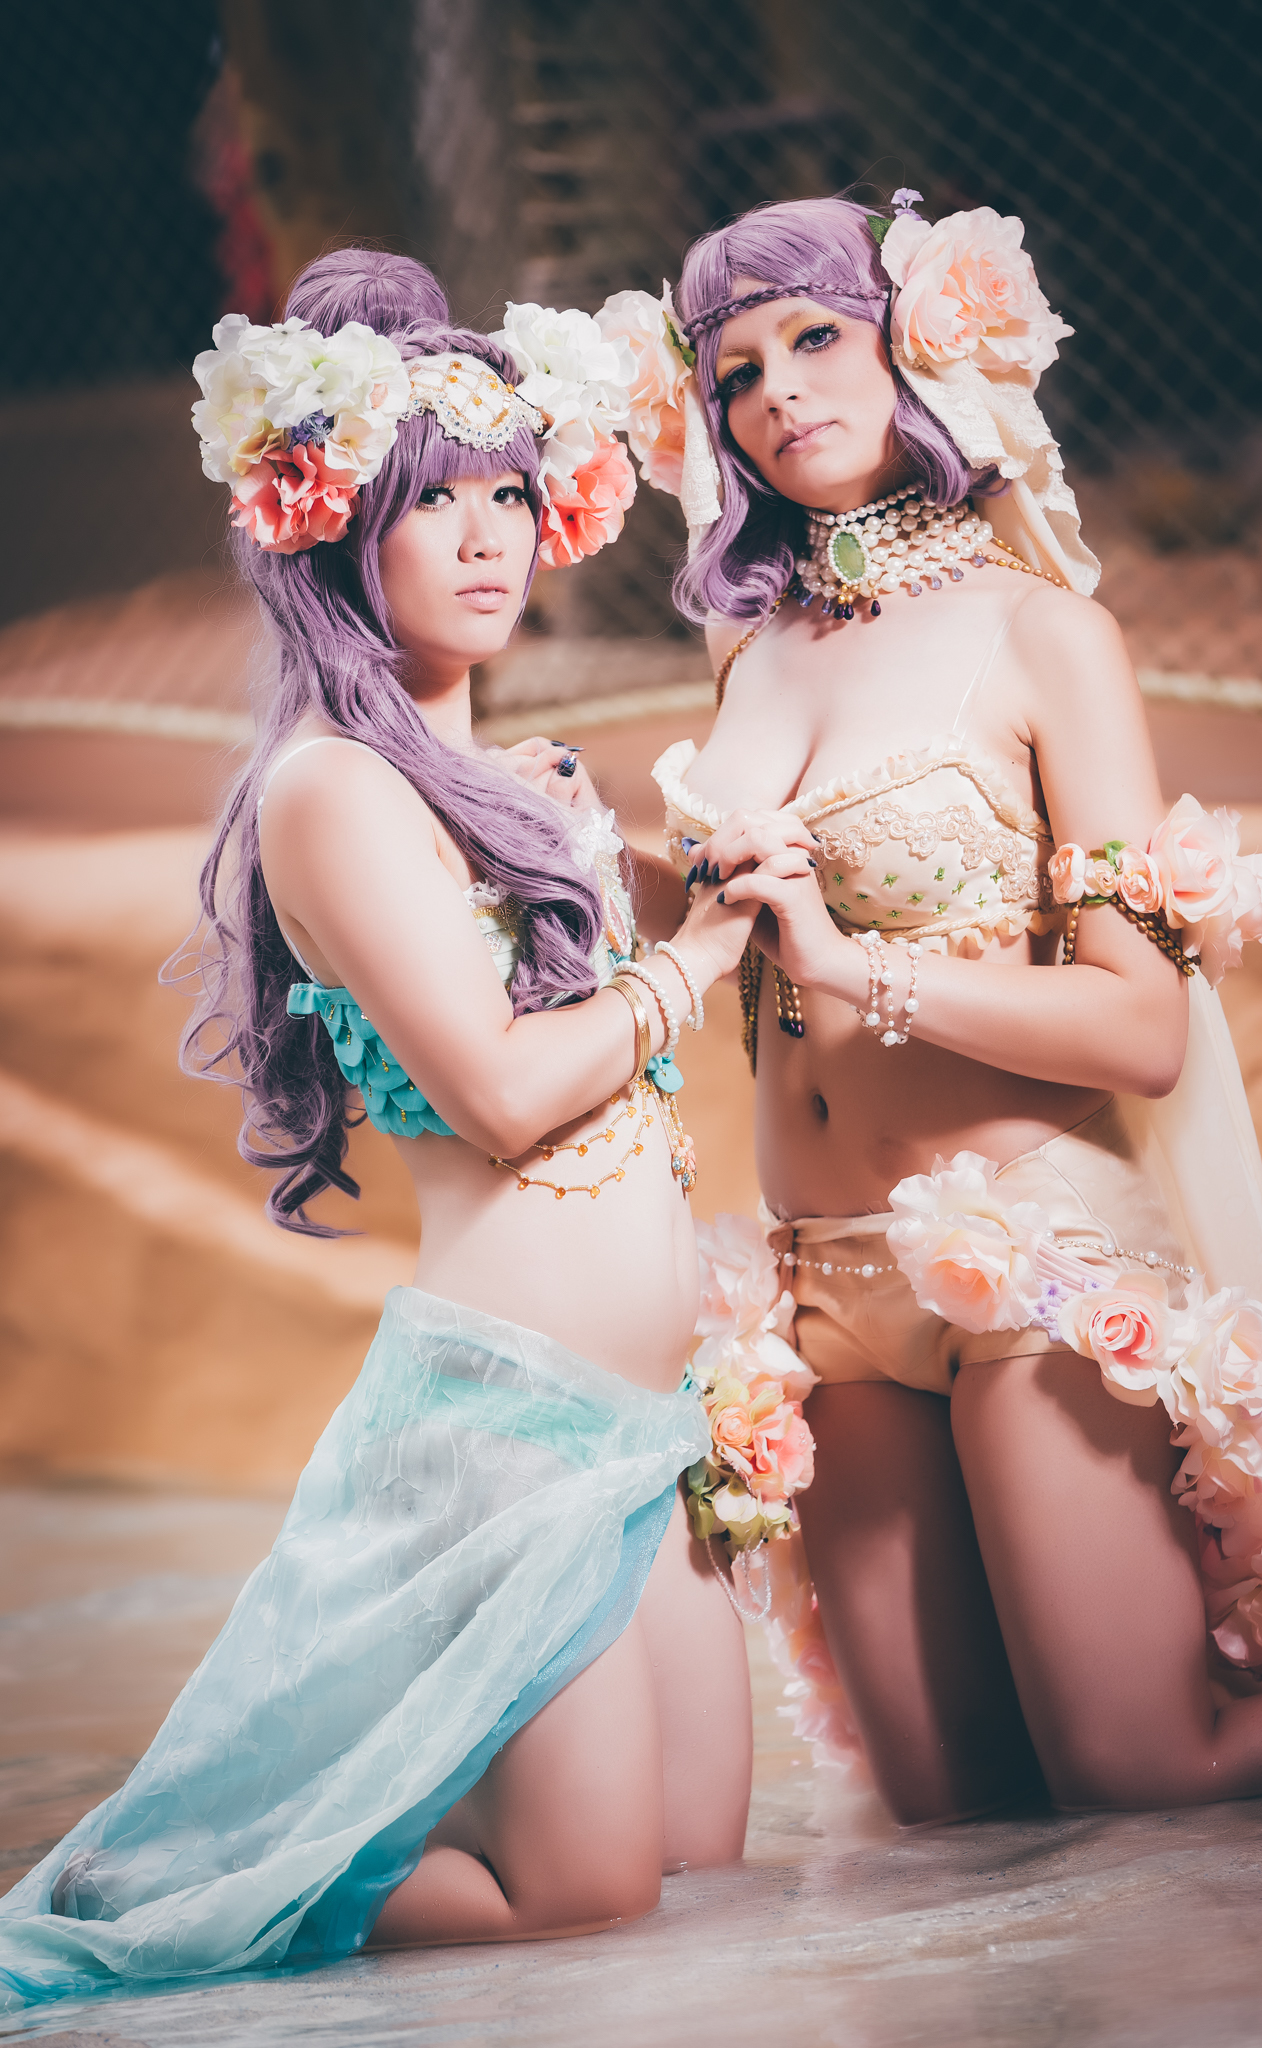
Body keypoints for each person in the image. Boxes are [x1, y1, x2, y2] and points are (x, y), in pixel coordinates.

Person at [0, 249, 754, 2011]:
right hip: (511, 1418)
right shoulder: (331, 790)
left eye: (510, 496)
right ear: (338, 526)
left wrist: (697, 872)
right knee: (585, 1897)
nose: (488, 539)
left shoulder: (532, 788)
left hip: (649, 1418)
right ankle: (191, 1885)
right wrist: (696, 960)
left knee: (698, 1867)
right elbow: (500, 1093)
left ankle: (288, 1847)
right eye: (433, 502)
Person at [600, 194, 1262, 1822]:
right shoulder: (748, 657)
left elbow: (1139, 1028)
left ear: (915, 349)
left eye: (815, 337)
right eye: (734, 374)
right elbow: (743, 950)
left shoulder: (1042, 634)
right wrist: (594, 864)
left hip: (1026, 1253)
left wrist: (850, 965)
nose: (777, 391)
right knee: (950, 1816)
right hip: (820, 1285)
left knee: (1135, 1767)